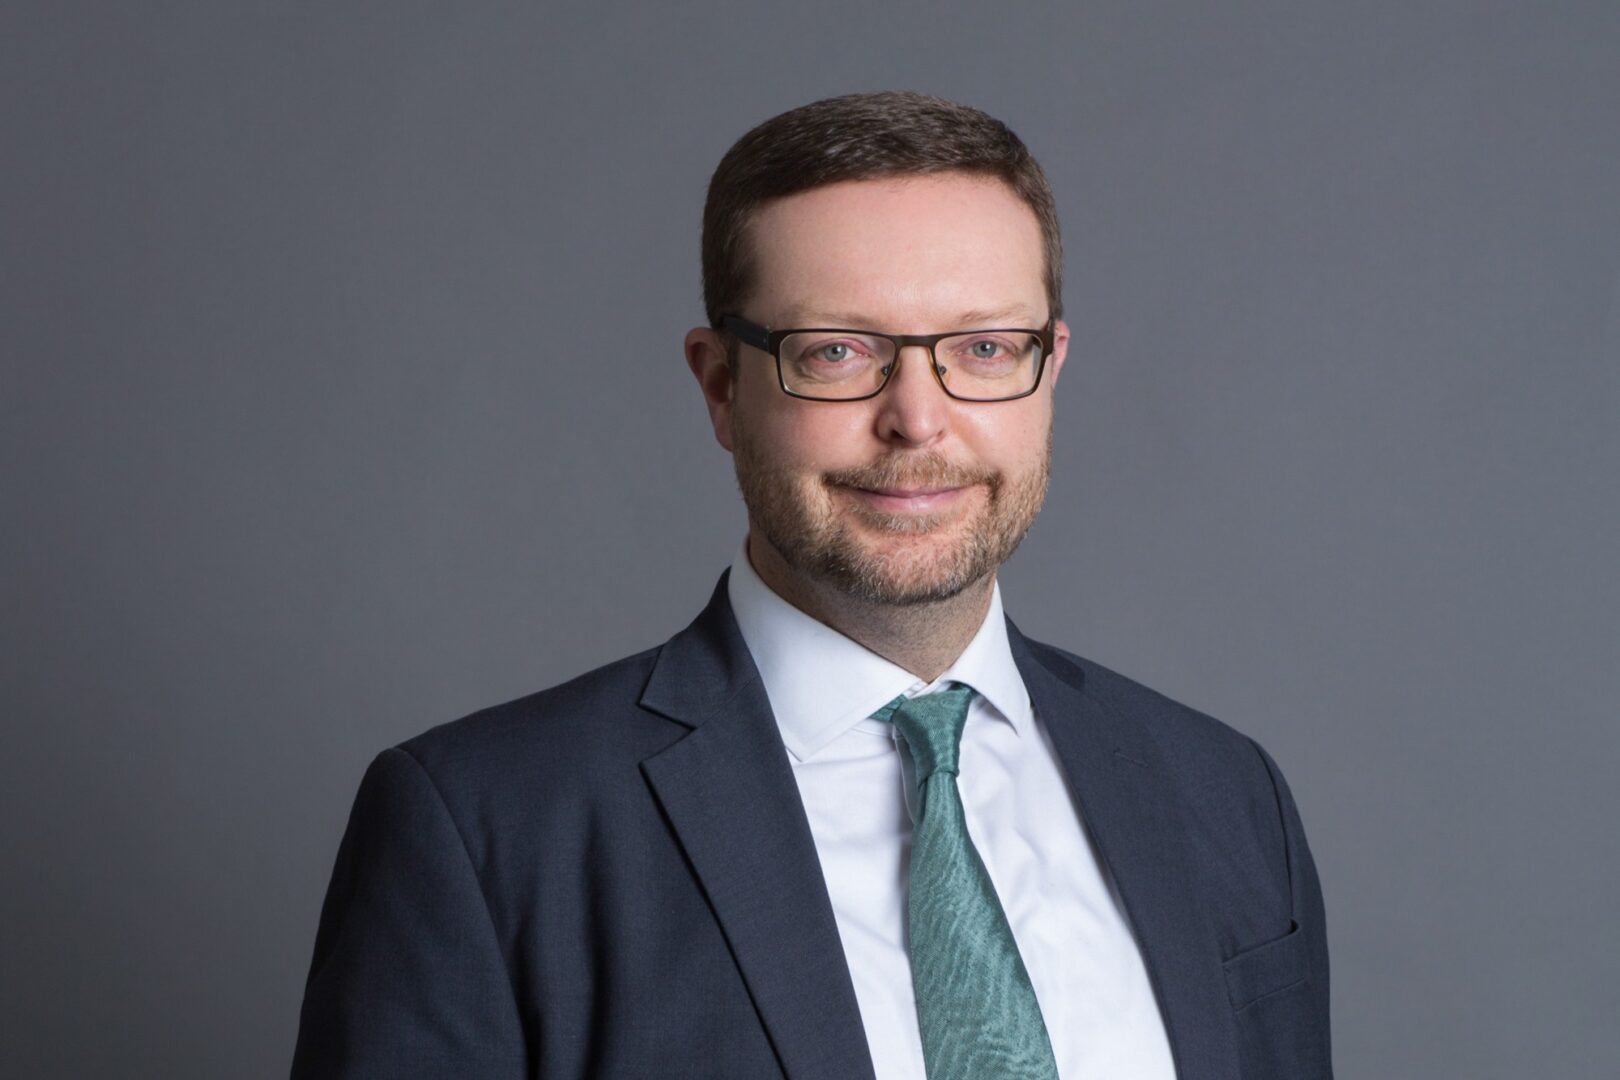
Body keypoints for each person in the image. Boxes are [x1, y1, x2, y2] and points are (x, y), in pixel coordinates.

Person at [290, 91, 1332, 1080]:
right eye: (837, 352)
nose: (917, 420)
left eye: (983, 347)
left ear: (1049, 369)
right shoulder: (488, 830)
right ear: (721, 386)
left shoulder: (1223, 794)